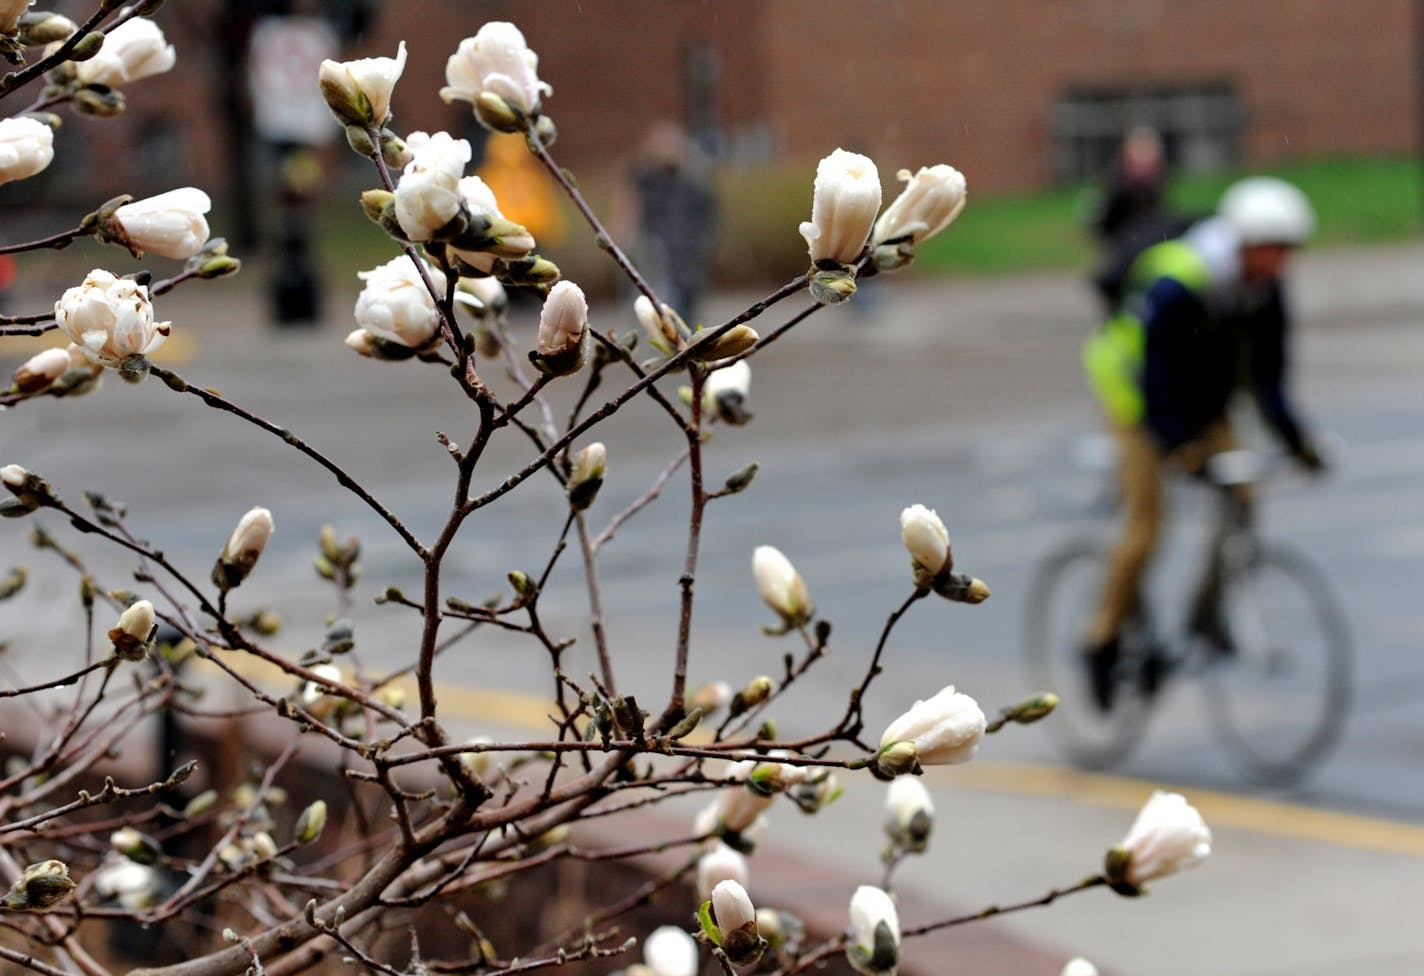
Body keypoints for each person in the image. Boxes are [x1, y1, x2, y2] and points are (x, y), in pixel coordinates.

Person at [1079, 176, 1326, 709]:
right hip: (1137, 396)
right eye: (1270, 249)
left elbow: (1269, 379)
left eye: (1287, 251)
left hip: (1203, 401)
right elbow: (1156, 376)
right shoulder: (1180, 281)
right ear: (1241, 242)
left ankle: (1208, 617)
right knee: (1147, 525)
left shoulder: (1266, 289)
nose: (1279, 263)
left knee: (1243, 496)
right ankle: (1100, 637)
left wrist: (1299, 442)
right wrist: (1178, 445)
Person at [612, 122, 717, 323]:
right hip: (658, 259)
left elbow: (708, 214)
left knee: (689, 312)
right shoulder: (644, 179)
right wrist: (623, 231)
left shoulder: (694, 182)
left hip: (689, 259)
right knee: (664, 309)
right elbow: (629, 206)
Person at [1087, 127, 1192, 313]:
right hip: (1126, 251)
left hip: (1149, 246)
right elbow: (1103, 224)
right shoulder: (1118, 189)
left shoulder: (1155, 186)